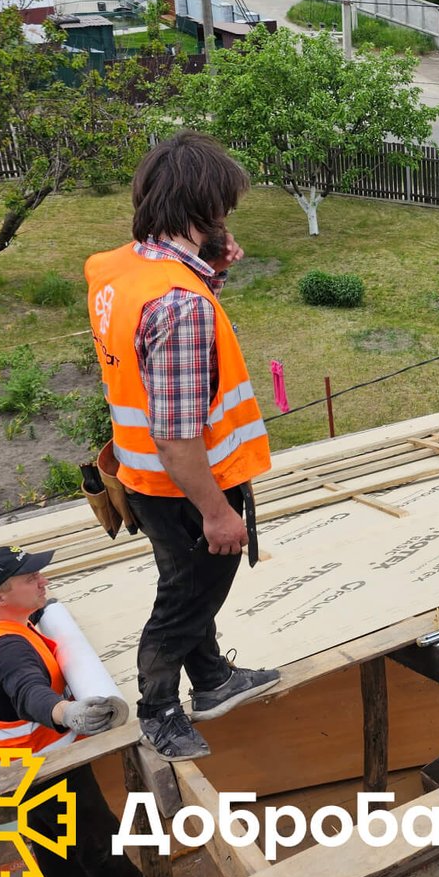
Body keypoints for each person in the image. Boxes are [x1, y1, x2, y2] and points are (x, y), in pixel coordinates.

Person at [84, 131, 279, 763]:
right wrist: (219, 511)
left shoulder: (119, 269)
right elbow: (176, 433)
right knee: (188, 596)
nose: (229, 217)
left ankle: (215, 680)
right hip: (190, 484)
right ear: (204, 210)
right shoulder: (179, 303)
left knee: (183, 580)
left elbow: (147, 357)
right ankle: (159, 711)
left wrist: (210, 272)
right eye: (223, 207)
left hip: (140, 478)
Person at [0, 546, 146, 877]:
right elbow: (28, 692)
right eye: (30, 579)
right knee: (98, 839)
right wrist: (68, 712)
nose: (42, 580)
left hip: (11, 766)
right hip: (45, 766)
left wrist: (37, 609)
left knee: (48, 830)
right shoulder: (8, 651)